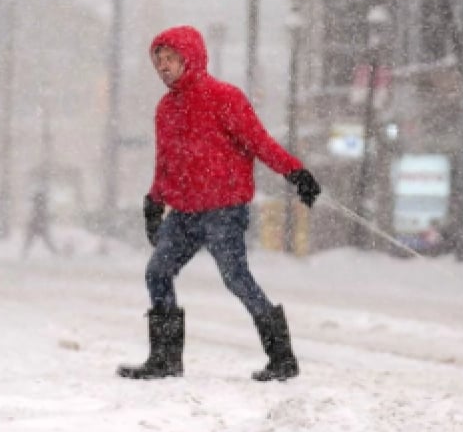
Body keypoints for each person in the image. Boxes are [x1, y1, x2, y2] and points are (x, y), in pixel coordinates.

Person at [117, 25, 321, 382]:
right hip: (183, 213)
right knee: (157, 272)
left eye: (170, 59)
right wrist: (153, 201)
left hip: (223, 209)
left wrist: (295, 173)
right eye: (158, 61)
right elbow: (165, 163)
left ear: (189, 58)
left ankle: (282, 358)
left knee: (236, 278)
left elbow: (259, 142)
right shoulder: (165, 109)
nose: (163, 67)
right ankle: (165, 359)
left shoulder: (224, 97)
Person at [22, 189, 54, 257]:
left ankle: (24, 253)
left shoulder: (39, 204)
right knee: (46, 241)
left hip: (37, 224)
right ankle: (24, 253)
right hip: (38, 224)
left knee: (30, 241)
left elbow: (38, 214)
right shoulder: (41, 204)